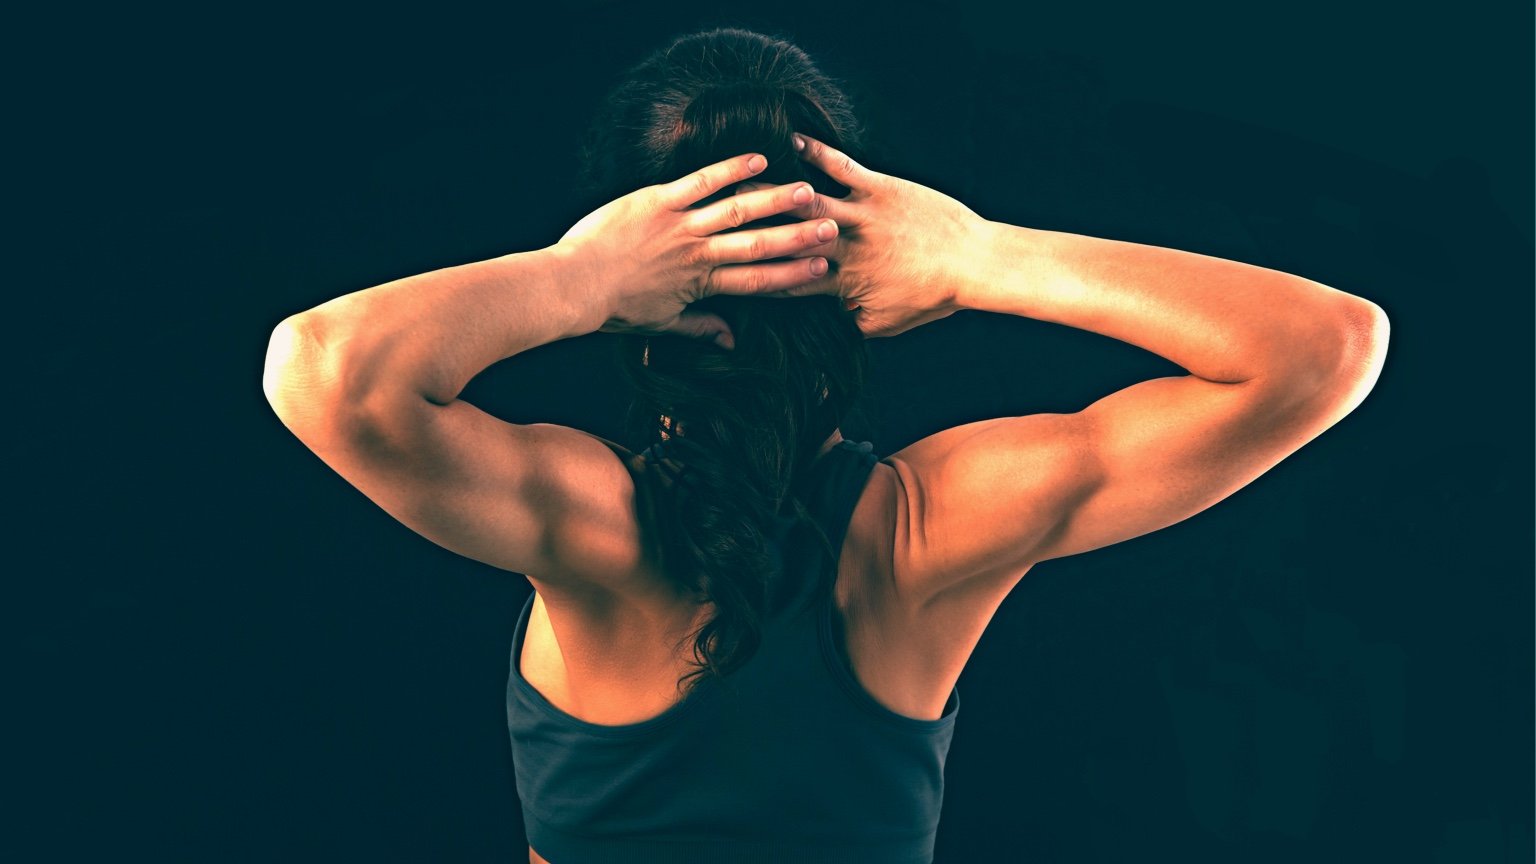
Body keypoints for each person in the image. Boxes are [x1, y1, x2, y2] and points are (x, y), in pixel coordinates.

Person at [261, 26, 1389, 864]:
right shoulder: (934, 531)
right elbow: (1328, 349)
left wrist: (579, 277)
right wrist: (981, 255)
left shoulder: (591, 532)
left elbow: (325, 372)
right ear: (860, 273)